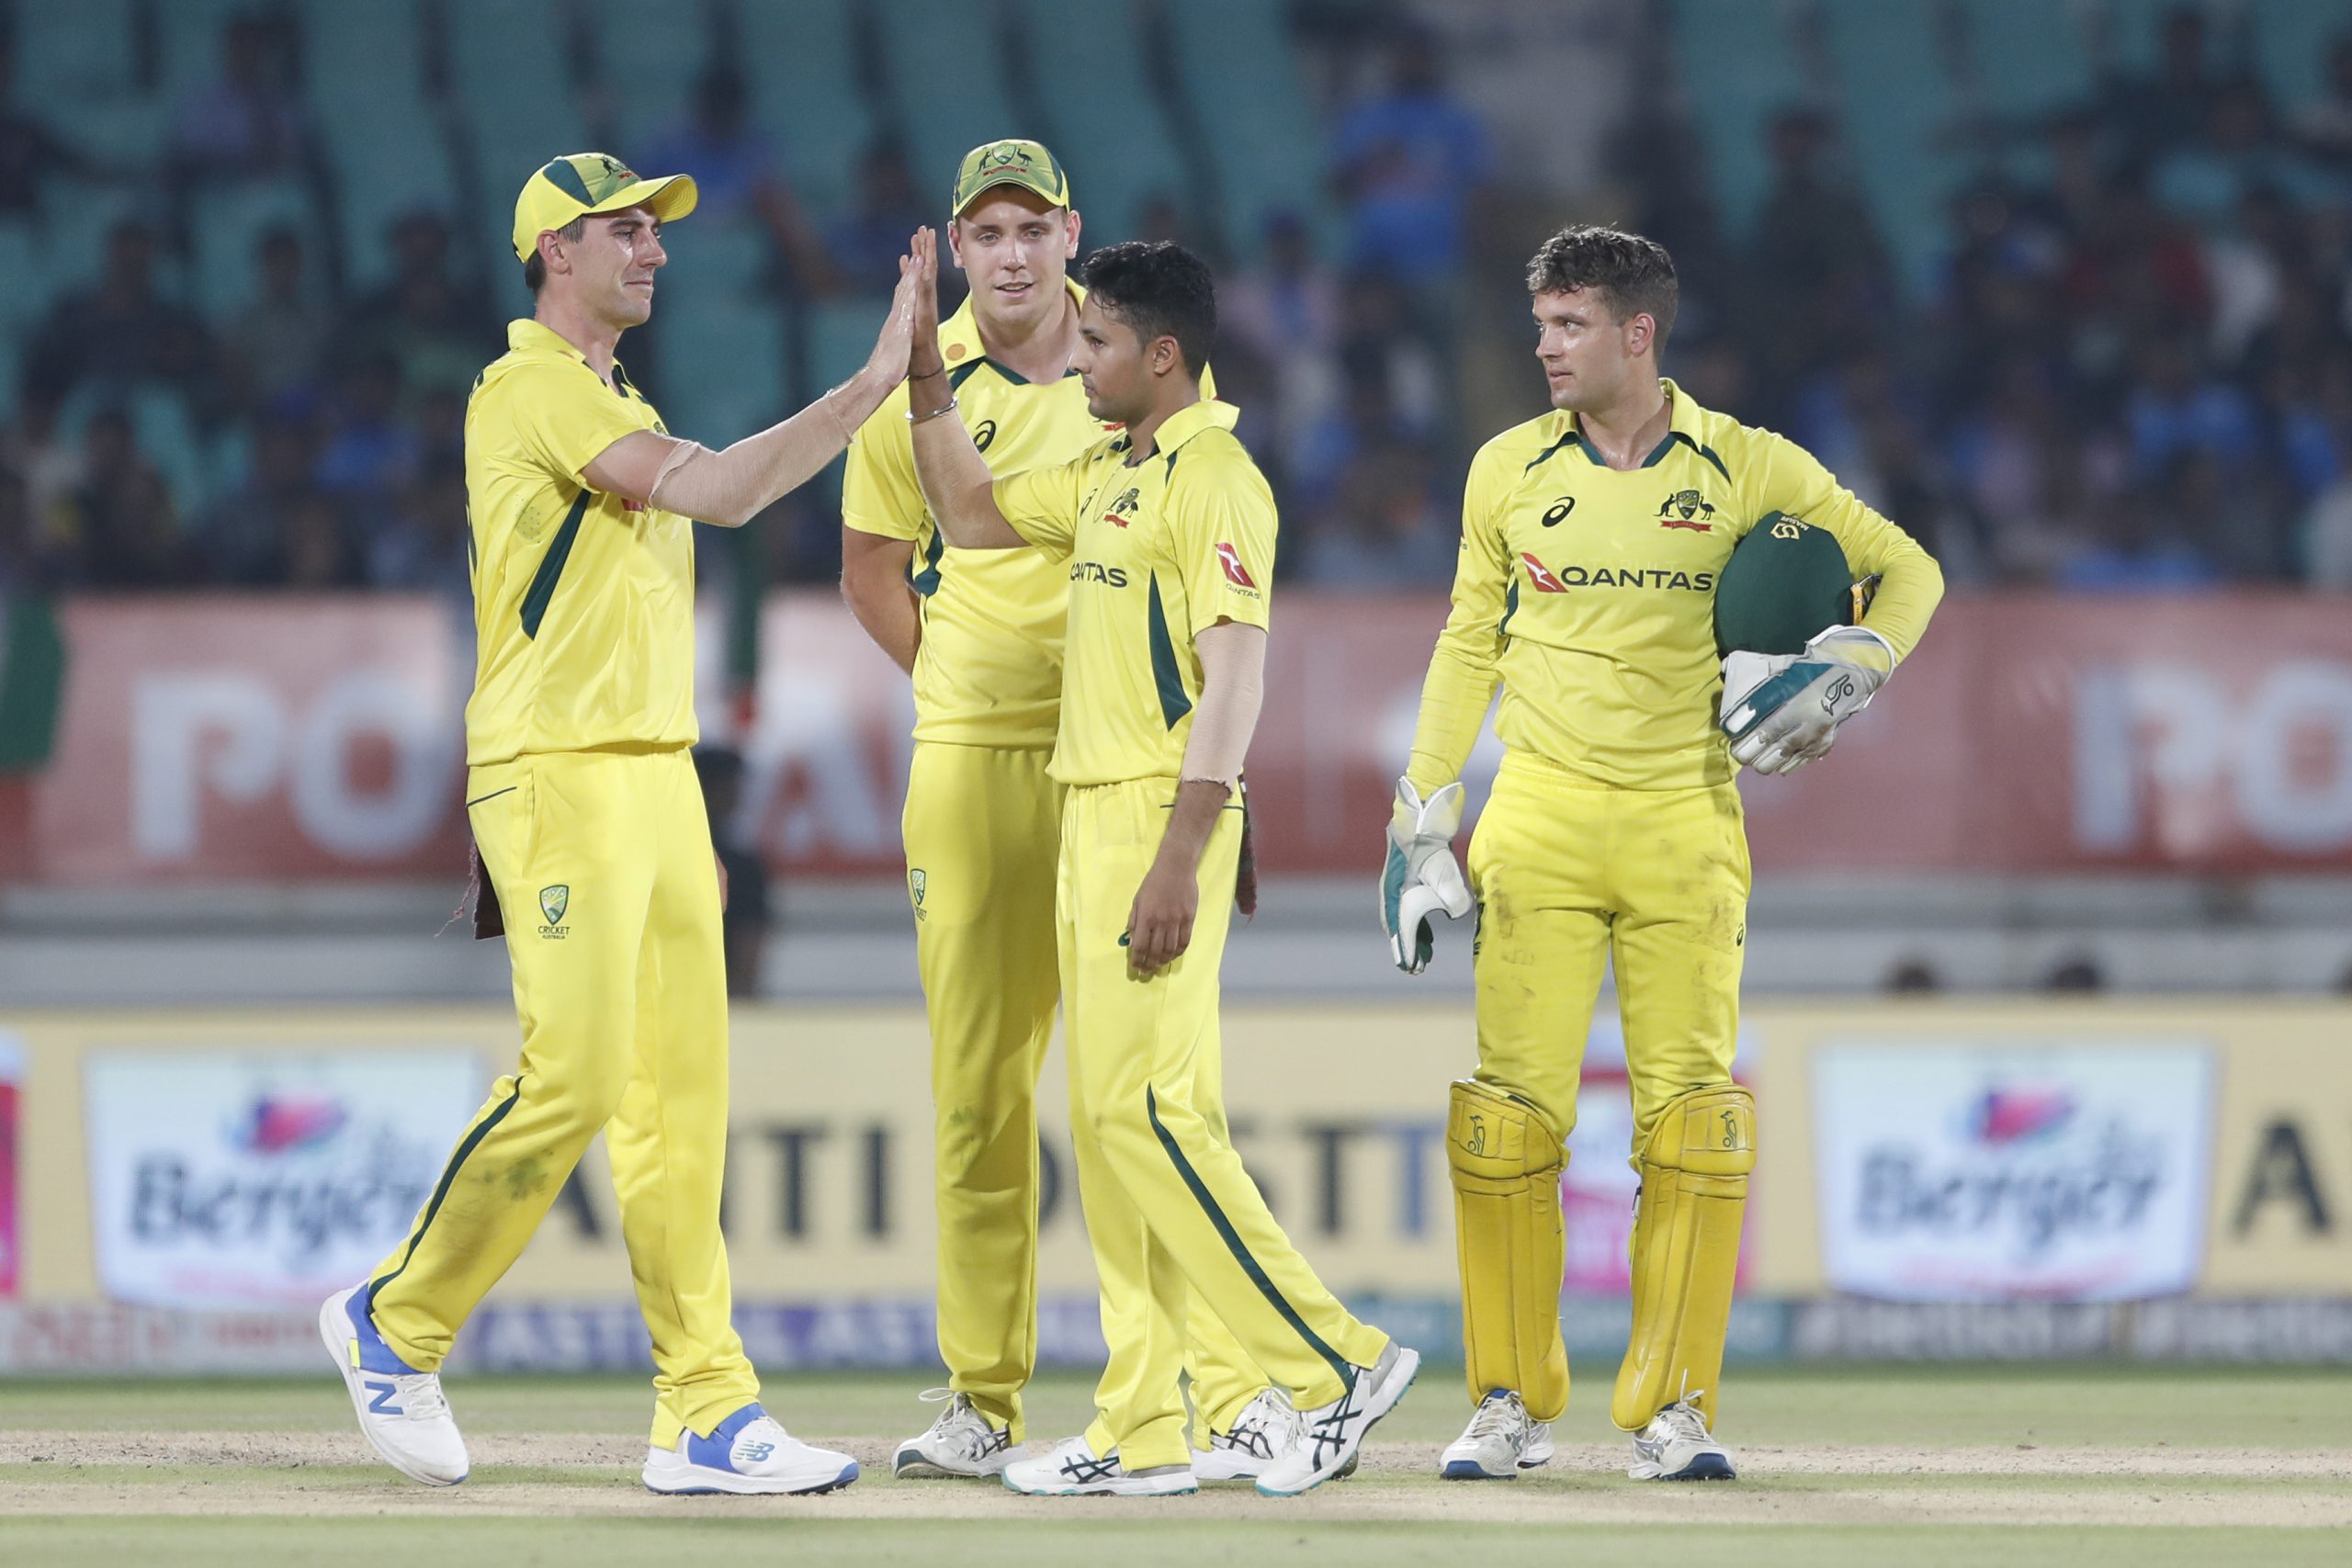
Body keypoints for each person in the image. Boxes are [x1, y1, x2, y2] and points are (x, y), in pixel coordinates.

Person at [319, 151, 917, 1497]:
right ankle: (393, 1320)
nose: (654, 250)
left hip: (657, 780)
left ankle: (703, 1411)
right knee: (578, 1077)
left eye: (658, 232)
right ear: (553, 252)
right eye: (626, 231)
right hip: (557, 772)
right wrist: (872, 385)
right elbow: (719, 492)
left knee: (678, 1112)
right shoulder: (523, 385)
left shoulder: (614, 395)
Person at [1384, 225, 1942, 1483]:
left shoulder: (1746, 464)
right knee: (1508, 1123)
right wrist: (1421, 816)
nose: (1544, 347)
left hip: (1687, 820)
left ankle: (1672, 1411)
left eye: (1570, 325)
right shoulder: (1506, 470)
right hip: (1534, 815)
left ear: (1639, 334)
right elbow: (1467, 642)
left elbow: (1908, 571)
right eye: (1540, 324)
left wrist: (1853, 664)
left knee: (1692, 1126)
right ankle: (1507, 1406)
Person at [907, 229, 1419, 1498]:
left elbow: (1238, 674)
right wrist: (924, 379)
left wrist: (1184, 849)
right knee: (1111, 1118)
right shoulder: (1104, 470)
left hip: (1156, 815)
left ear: (1164, 354)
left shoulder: (1217, 478)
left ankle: (1331, 1366)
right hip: (1089, 809)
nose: (1077, 361)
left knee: (1145, 1113)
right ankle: (1144, 1426)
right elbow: (968, 516)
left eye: (1098, 342)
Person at [841, 139, 1291, 1486]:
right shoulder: (921, 403)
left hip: (1136, 773)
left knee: (1150, 1098)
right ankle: (984, 1399)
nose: (1016, 253)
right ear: (957, 249)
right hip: (981, 762)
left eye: (1036, 227)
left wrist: (1208, 803)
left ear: (1072, 234)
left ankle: (1208, 1401)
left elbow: (1219, 639)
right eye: (988, 233)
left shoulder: (1135, 394)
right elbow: (876, 574)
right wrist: (968, 685)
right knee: (982, 1095)